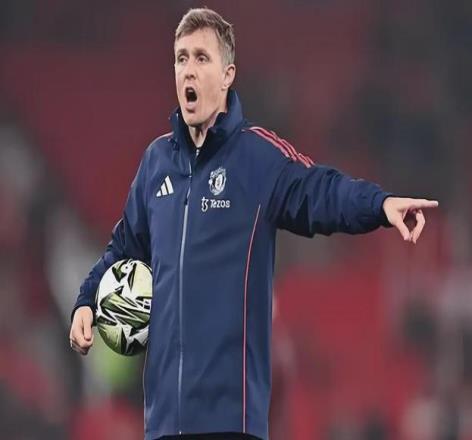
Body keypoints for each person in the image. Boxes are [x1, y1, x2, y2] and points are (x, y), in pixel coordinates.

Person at [69, 7, 438, 440]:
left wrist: (379, 204)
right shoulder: (156, 163)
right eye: (181, 58)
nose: (189, 70)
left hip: (232, 421)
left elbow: (319, 190)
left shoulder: (257, 158)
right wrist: (86, 300)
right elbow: (123, 248)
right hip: (165, 423)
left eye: (201, 58)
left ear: (227, 75)